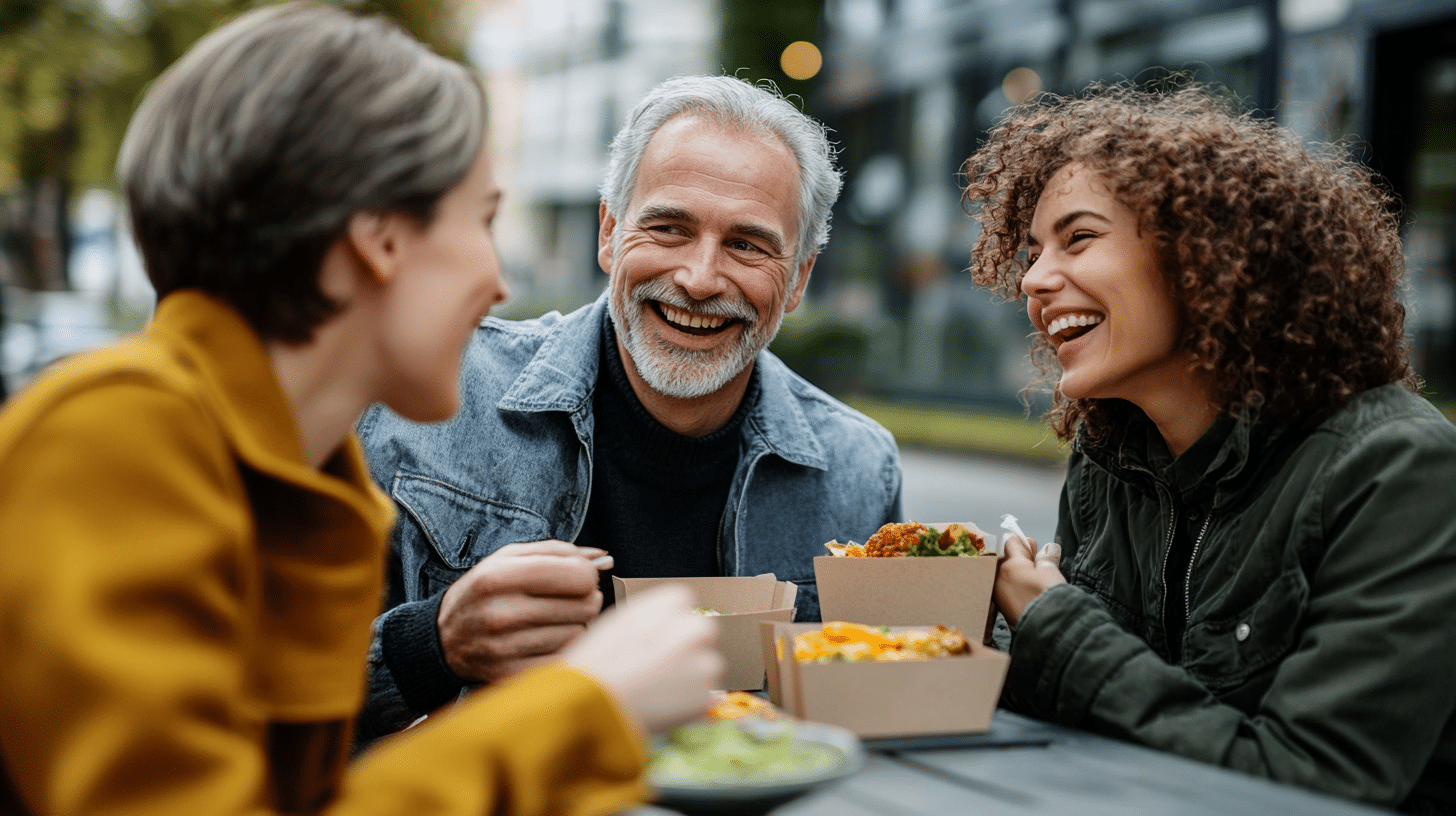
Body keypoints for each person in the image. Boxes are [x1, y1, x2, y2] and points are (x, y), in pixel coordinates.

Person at [0, 4, 723, 815]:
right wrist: (589, 707)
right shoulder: (113, 440)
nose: (499, 281)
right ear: (379, 237)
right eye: (482, 220)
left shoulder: (299, 479)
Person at [354, 74, 902, 742]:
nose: (699, 280)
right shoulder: (428, 397)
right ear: (610, 233)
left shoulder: (856, 471)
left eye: (747, 245)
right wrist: (430, 645)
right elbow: (257, 692)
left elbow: (883, 714)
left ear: (799, 280)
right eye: (669, 228)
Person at [962, 82, 1456, 813]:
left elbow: (1314, 783)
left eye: (1080, 237)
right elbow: (1082, 731)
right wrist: (976, 631)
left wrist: (1055, 627)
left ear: (1206, 257)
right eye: (1032, 251)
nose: (1032, 280)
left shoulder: (1396, 469)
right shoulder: (1108, 459)